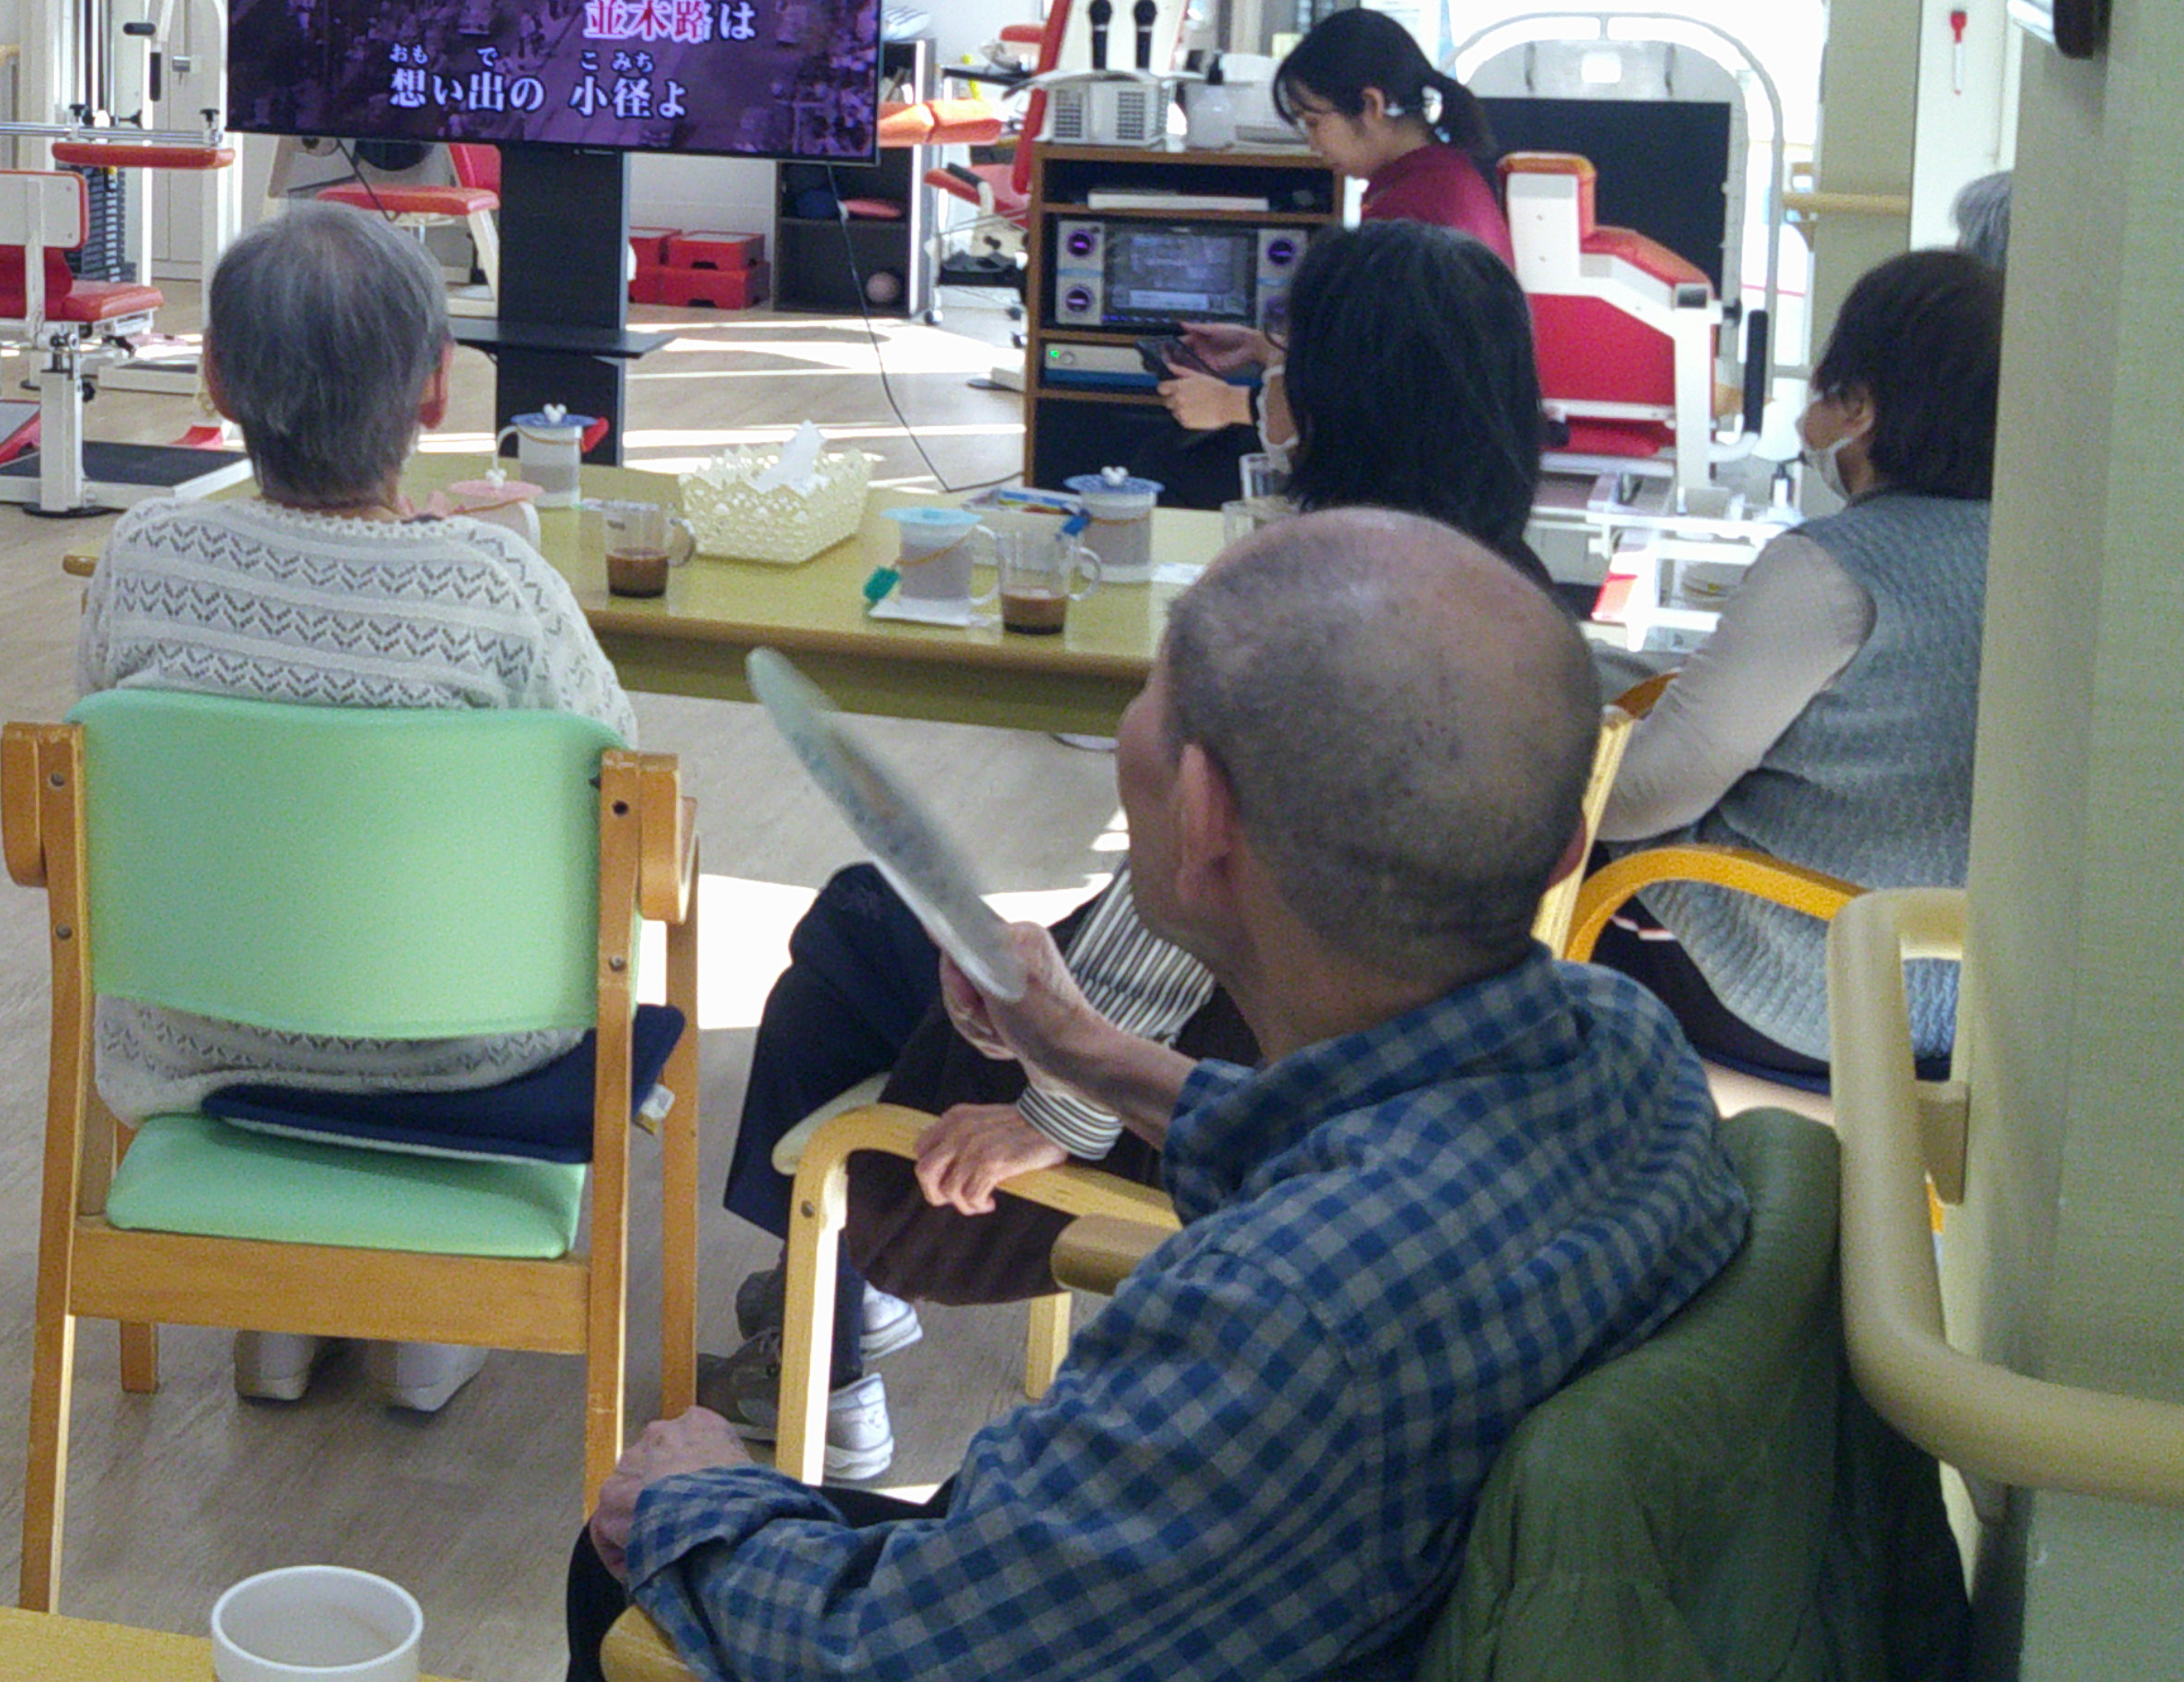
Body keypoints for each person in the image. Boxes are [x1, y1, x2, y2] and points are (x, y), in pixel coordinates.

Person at [570, 511, 1749, 1682]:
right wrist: (1086, 1051)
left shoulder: (1274, 1326)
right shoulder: (1624, 1045)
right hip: (1351, 1599)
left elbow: (885, 1654)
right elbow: (1353, 1135)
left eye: (1147, 694)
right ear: (1565, 849)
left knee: (622, 1565)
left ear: (1202, 816)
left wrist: (694, 1498)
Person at [710, 220, 1548, 1478]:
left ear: (1336, 400)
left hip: (1183, 1103)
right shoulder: (1518, 609)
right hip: (1353, 1108)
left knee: (849, 932)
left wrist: (1053, 1108)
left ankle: (824, 1338)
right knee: (878, 932)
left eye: (1289, 360)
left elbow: (1191, 908)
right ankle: (831, 1314)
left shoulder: (1298, 622)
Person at [74, 199, 635, 1417]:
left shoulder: (141, 560)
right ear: (435, 389)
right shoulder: (499, 585)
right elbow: (622, 819)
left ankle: (280, 1320)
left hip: (205, 1046)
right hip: (465, 1058)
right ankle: (423, 1325)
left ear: (216, 378)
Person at [1592, 247, 1999, 1078]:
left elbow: (1643, 797)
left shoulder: (1830, 570)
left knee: (1582, 773)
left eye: (1829, 392)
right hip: (1966, 1007)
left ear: (1862, 405)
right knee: (1618, 675)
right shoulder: (2032, 558)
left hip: (1810, 992)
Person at [1158, 7, 1513, 456]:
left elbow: (1371, 395)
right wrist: (1262, 348)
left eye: (1313, 122)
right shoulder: (1447, 180)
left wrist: (1232, 404)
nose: (1312, 144)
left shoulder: (1407, 220)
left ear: (1371, 106)